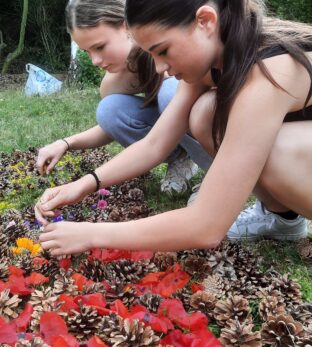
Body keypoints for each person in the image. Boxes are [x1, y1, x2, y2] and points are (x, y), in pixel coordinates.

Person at [35, 0, 312, 256]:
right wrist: (85, 184)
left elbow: (206, 226)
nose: (158, 68)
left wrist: (91, 234)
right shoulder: (217, 57)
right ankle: (282, 219)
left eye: (163, 51)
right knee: (206, 113)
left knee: (272, 147)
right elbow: (155, 144)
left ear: (205, 21)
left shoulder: (268, 74)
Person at [36, 0, 212, 195]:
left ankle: (215, 174)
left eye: (100, 47)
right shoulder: (117, 80)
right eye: (87, 52)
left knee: (170, 93)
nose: (94, 61)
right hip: (171, 129)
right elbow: (118, 127)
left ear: (125, 26)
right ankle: (181, 158)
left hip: (219, 121)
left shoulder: (172, 44)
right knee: (109, 109)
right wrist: (66, 143)